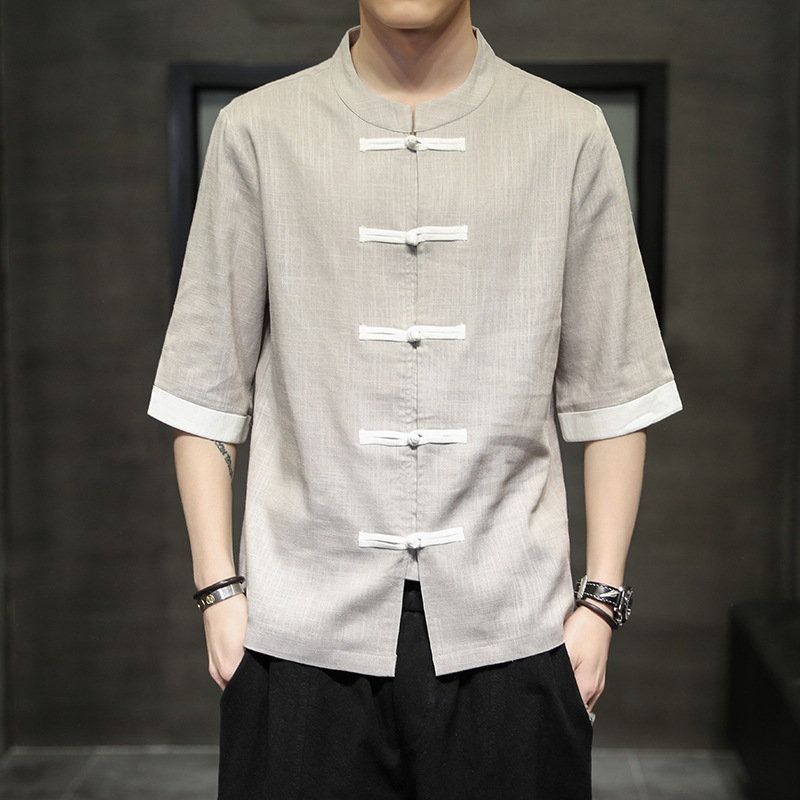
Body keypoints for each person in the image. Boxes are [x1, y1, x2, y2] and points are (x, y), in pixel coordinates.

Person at [148, 1, 681, 797]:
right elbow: (203, 386)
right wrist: (219, 595)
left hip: (516, 635)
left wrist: (600, 604)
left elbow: (617, 389)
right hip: (297, 636)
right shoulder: (257, 132)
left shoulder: (569, 134)